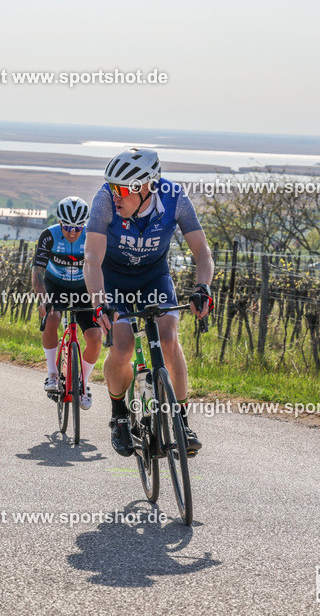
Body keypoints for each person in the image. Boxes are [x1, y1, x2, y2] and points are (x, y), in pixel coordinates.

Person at [84, 148, 214, 458]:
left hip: (153, 276)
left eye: (121, 189)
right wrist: (100, 303)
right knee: (123, 347)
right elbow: (91, 258)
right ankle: (118, 416)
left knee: (169, 340)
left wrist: (203, 288)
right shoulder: (104, 201)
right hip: (113, 279)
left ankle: (181, 422)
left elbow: (203, 253)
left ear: (146, 187)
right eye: (111, 187)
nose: (114, 195)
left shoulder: (174, 198)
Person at [32, 196, 102, 409]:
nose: (72, 232)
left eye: (78, 227)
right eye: (67, 226)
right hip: (55, 286)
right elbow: (37, 273)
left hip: (83, 288)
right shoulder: (49, 236)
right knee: (51, 319)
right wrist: (43, 300)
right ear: (59, 222)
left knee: (95, 337)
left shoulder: (92, 236)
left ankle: (84, 383)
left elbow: (102, 270)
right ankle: (52, 374)